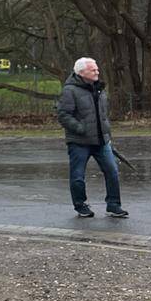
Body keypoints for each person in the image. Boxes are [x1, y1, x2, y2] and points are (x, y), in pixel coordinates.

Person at [56, 57, 127, 218]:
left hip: (101, 141)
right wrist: (81, 129)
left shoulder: (100, 89)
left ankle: (114, 205)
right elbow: (63, 115)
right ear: (81, 72)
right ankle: (80, 205)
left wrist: (106, 133)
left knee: (112, 171)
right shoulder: (70, 90)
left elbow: (102, 115)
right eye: (93, 69)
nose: (97, 72)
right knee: (78, 176)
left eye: (97, 69)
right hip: (79, 142)